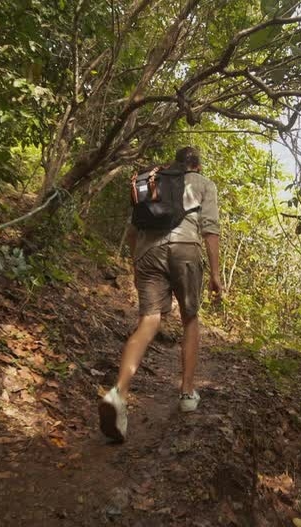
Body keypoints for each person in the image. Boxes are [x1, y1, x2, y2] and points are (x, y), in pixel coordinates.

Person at [98, 146, 222, 442]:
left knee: (148, 321)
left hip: (147, 253)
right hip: (185, 249)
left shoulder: (155, 182)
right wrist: (216, 274)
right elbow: (210, 230)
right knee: (190, 319)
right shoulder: (204, 184)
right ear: (198, 166)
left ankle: (118, 393)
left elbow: (133, 232)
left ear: (175, 164)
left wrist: (136, 264)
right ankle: (187, 393)